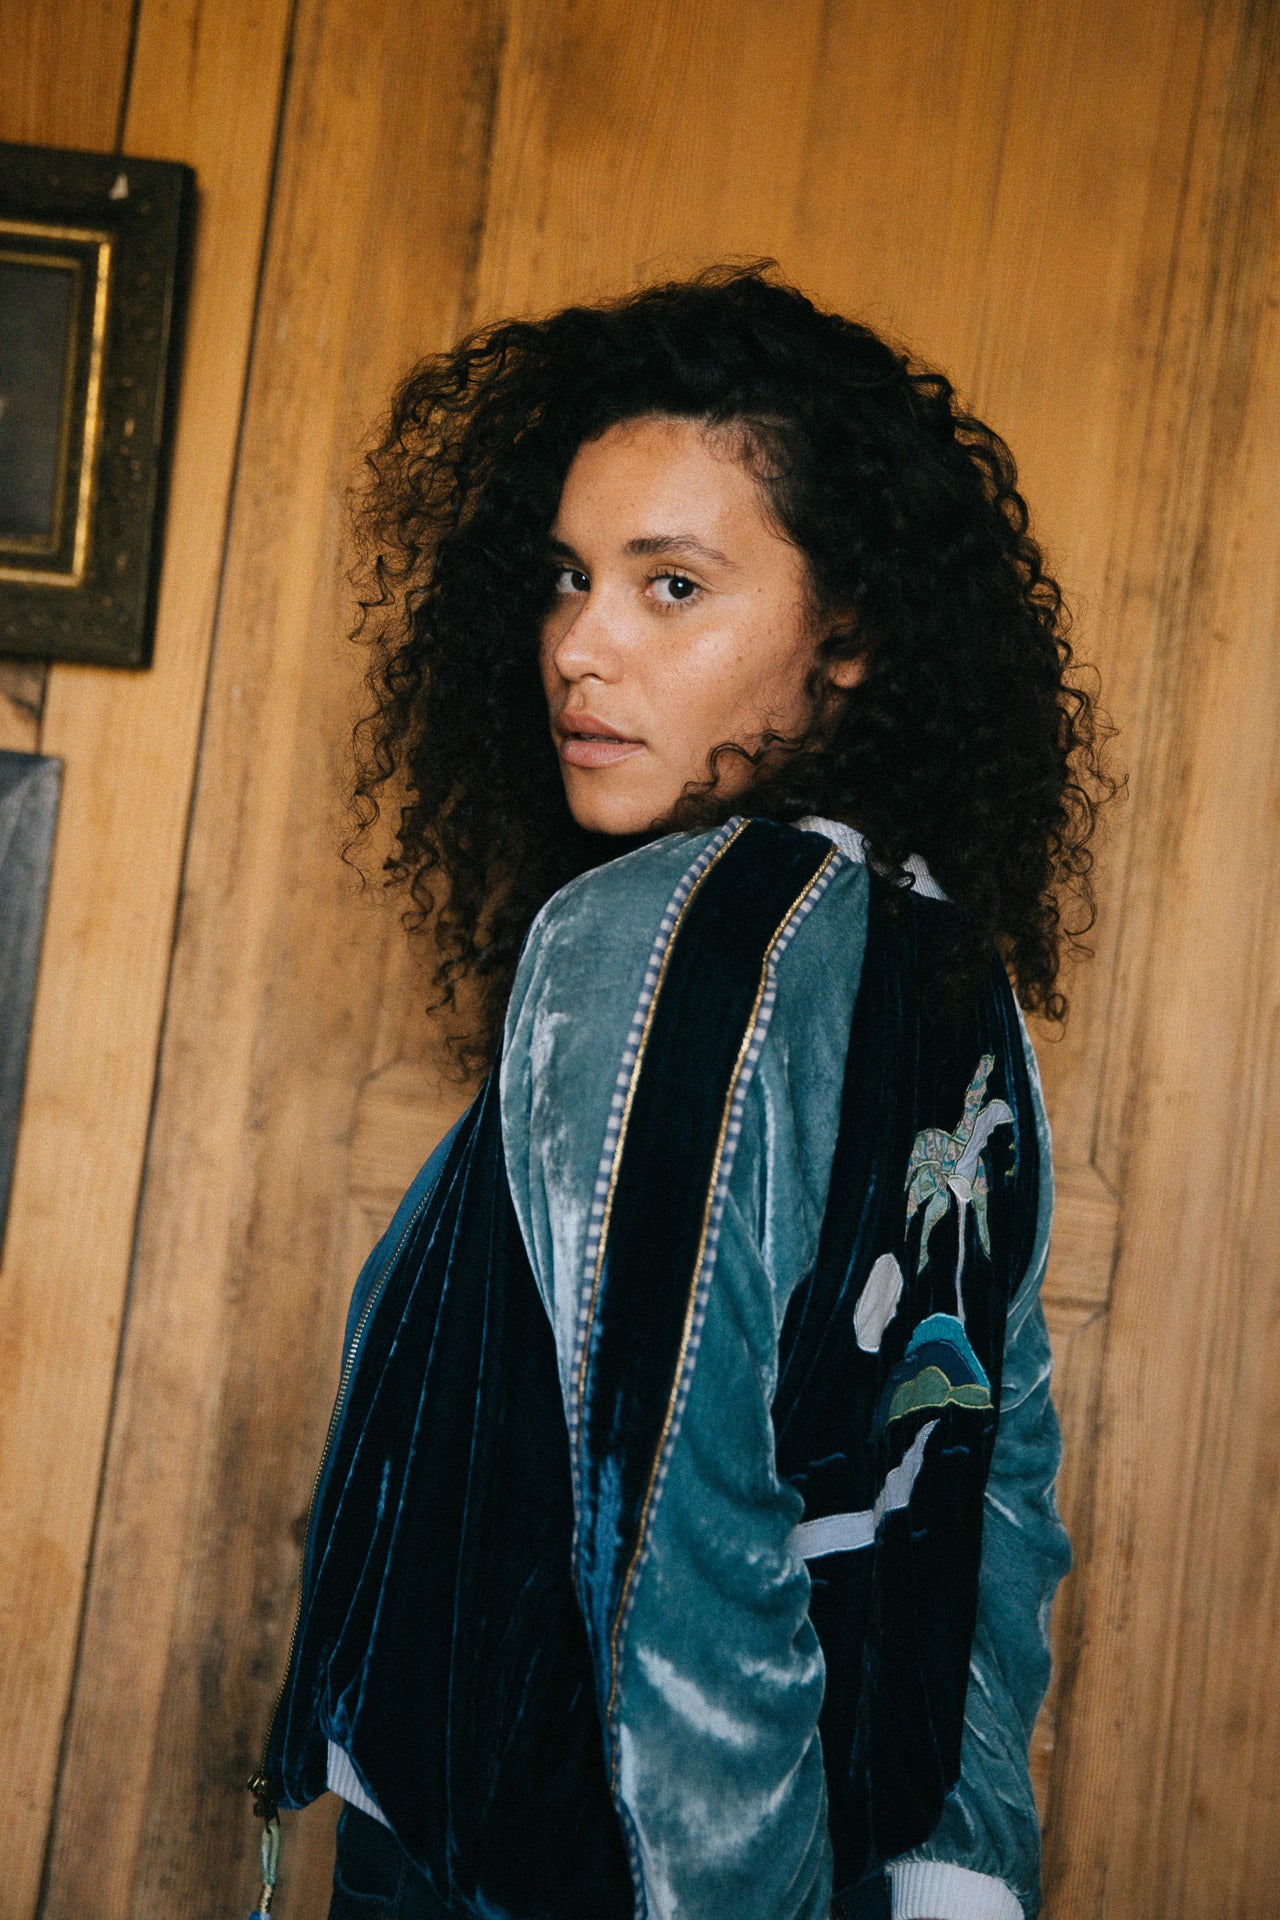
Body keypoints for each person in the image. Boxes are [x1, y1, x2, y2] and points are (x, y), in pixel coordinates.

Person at [249, 266, 1110, 1920]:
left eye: (672, 586)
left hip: (588, 1867)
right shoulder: (942, 957)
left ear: (847, 636)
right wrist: (965, 1871)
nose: (581, 644)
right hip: (842, 1848)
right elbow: (988, 1482)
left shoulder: (659, 937)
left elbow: (661, 1532)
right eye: (570, 578)